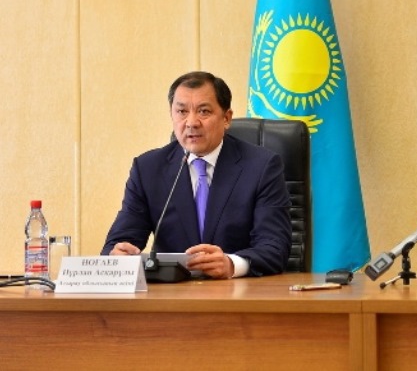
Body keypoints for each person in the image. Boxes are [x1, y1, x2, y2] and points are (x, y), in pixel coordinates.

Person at [102, 71, 292, 278]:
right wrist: (118, 255)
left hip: (239, 291)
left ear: (226, 118)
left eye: (203, 111)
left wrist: (231, 264)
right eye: (182, 112)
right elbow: (117, 243)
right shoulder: (148, 169)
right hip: (172, 292)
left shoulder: (261, 167)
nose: (191, 122)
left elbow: (275, 246)